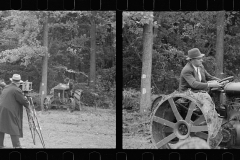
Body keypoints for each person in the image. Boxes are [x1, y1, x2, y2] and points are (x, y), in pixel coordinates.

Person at [179, 48, 224, 149]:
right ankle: (210, 121)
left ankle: (220, 114)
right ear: (191, 60)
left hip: (199, 91)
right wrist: (209, 85)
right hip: (188, 93)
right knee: (205, 97)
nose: (201, 60)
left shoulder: (200, 66)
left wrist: (220, 81)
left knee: (217, 91)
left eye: (201, 58)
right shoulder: (187, 70)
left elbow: (209, 77)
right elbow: (194, 84)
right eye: (199, 58)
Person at [0, 74, 31, 148]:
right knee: (14, 127)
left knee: (1, 126)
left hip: (1, 109)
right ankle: (17, 146)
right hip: (10, 111)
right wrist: (28, 103)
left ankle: (0, 145)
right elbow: (23, 101)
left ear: (12, 81)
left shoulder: (7, 87)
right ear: (18, 82)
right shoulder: (16, 90)